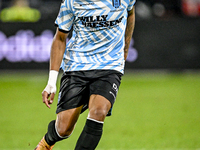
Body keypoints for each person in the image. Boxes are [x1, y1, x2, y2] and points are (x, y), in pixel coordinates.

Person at [34, 0, 136, 149]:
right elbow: (60, 37)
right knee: (63, 129)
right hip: (77, 64)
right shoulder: (72, 2)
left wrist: (125, 49)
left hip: (110, 64)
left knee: (99, 111)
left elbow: (131, 12)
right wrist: (51, 82)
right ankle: (47, 142)